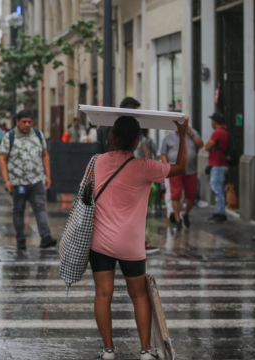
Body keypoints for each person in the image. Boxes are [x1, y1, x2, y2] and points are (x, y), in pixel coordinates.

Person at [91, 115, 189, 360]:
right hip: (131, 244)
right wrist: (182, 134)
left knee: (103, 294)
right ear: (136, 141)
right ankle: (146, 350)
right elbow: (181, 168)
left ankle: (108, 350)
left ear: (112, 136)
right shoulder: (147, 167)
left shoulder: (97, 162)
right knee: (139, 295)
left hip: (100, 241)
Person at [0, 109, 57, 250]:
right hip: (18, 183)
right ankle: (21, 240)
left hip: (36, 180)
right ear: (17, 122)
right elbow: (2, 158)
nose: (27, 125)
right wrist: (6, 180)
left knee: (40, 209)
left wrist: (47, 175)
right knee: (18, 211)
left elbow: (45, 155)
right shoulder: (9, 136)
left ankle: (46, 237)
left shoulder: (38, 134)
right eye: (23, 122)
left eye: (29, 122)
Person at [159, 123, 204, 231]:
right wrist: (167, 166)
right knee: (176, 195)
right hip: (175, 171)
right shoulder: (168, 136)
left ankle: (186, 213)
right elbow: (162, 153)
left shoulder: (193, 133)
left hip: (191, 170)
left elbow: (201, 144)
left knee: (191, 196)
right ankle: (178, 220)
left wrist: (191, 134)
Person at [204, 112, 229, 223]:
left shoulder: (218, 133)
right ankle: (219, 212)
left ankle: (220, 213)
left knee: (217, 190)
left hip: (218, 165)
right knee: (218, 189)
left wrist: (211, 147)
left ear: (214, 121)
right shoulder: (225, 131)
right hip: (221, 164)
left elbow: (207, 146)